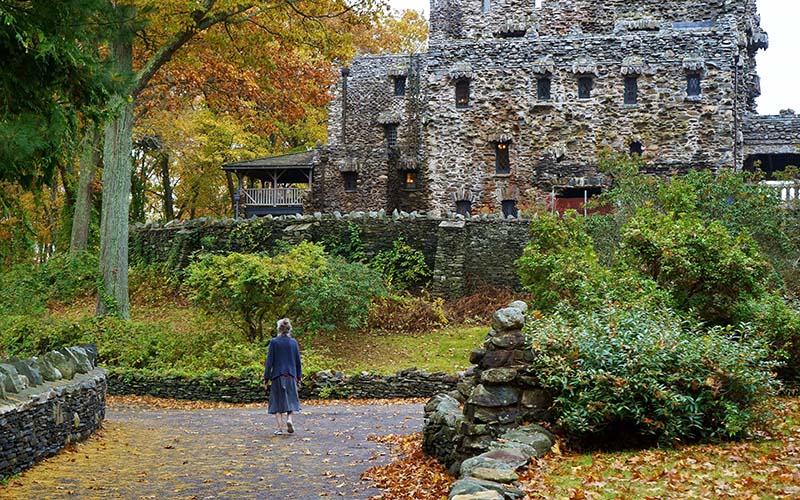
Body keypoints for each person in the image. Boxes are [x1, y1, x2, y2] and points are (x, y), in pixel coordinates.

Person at [264, 318, 302, 435]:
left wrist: (266, 378)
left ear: (278, 329)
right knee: (290, 399)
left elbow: (269, 362)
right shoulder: (293, 342)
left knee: (277, 402)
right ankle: (289, 420)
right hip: (291, 375)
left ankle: (279, 428)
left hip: (277, 376)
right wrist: (299, 377)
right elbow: (298, 361)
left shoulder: (274, 342)